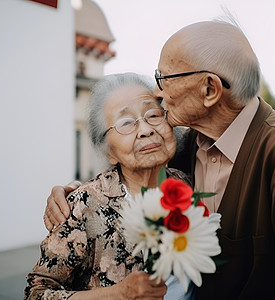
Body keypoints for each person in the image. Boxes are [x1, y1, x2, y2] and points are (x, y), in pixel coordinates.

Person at [44, 20, 275, 299]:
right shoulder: (189, 145)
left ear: (209, 89)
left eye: (164, 77)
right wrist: (73, 196)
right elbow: (127, 173)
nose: (157, 92)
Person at [25, 73, 195, 300]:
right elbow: (35, 294)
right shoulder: (82, 206)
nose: (145, 129)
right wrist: (118, 294)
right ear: (109, 151)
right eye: (126, 123)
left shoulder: (190, 184)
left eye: (153, 115)